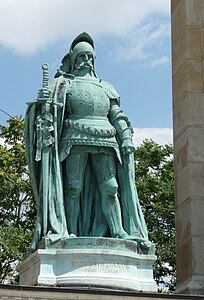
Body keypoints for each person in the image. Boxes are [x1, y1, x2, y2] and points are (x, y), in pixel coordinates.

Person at [25, 32, 150, 251]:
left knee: (110, 188)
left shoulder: (105, 86)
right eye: (81, 56)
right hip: (74, 138)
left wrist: (127, 136)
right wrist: (41, 104)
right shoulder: (63, 84)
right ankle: (70, 230)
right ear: (73, 59)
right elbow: (46, 112)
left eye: (89, 57)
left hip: (106, 139)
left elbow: (116, 114)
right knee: (74, 188)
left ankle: (118, 230)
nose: (86, 61)